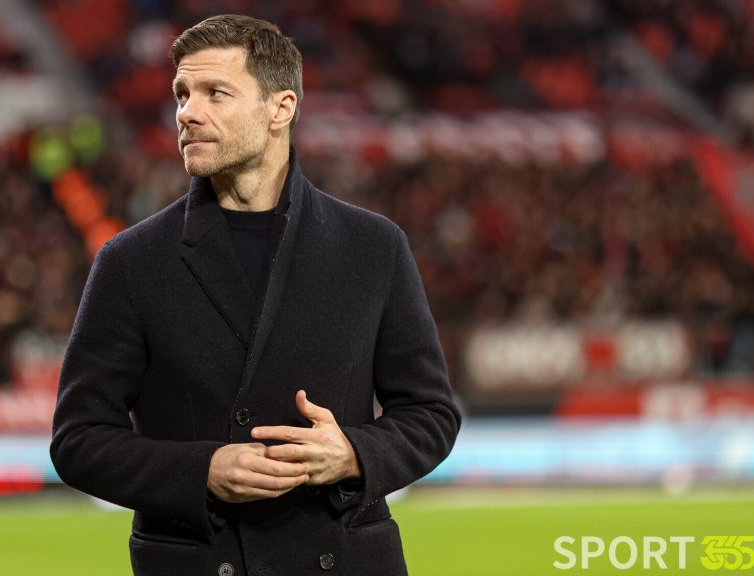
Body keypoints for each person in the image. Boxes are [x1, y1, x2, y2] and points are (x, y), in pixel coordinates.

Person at [50, 14, 460, 576]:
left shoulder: (374, 246)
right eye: (182, 94)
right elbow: (78, 439)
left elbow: (431, 414)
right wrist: (202, 470)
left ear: (281, 108)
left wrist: (353, 455)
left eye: (215, 93)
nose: (187, 112)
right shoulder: (129, 261)